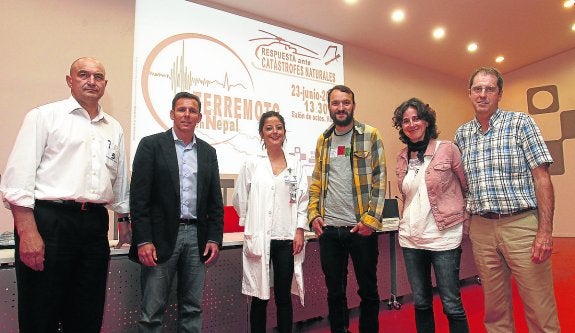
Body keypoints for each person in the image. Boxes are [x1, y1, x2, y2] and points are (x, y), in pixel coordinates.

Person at [0, 57, 131, 333]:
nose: (91, 81)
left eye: (98, 76)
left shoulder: (114, 128)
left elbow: (119, 183)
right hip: (50, 223)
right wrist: (28, 233)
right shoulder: (44, 117)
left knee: (87, 314)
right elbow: (17, 182)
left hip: (94, 226)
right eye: (84, 74)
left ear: (105, 84)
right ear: (70, 81)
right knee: (41, 314)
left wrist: (124, 221)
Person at [454, 67, 560, 332]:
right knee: (495, 310)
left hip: (521, 225)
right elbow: (462, 186)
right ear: (469, 93)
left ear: (499, 93)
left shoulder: (521, 123)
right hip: (482, 229)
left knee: (539, 307)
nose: (482, 94)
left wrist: (545, 231)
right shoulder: (462, 135)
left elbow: (542, 178)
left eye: (489, 89)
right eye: (477, 89)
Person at [129, 91, 224, 333]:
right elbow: (139, 200)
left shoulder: (207, 152)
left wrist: (214, 237)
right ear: (172, 114)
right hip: (159, 239)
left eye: (192, 111)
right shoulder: (151, 145)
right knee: (152, 312)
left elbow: (215, 201)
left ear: (199, 117)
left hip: (197, 237)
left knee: (193, 309)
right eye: (181, 110)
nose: (186, 115)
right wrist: (143, 240)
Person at [308, 84, 386, 333]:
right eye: (335, 103)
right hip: (329, 230)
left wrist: (371, 220)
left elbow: (380, 179)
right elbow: (317, 180)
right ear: (329, 106)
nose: (340, 108)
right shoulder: (324, 139)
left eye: (346, 103)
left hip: (360, 228)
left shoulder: (370, 134)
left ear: (353, 105)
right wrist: (313, 215)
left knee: (368, 291)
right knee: (335, 292)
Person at [392, 97, 470, 333]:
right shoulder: (402, 156)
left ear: (426, 121)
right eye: (405, 121)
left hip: (444, 236)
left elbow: (467, 187)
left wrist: (466, 222)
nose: (411, 124)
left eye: (416, 118)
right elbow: (408, 196)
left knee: (451, 304)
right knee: (422, 303)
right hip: (411, 239)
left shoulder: (447, 149)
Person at [232, 111, 309, 333]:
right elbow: (240, 198)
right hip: (260, 237)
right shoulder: (251, 163)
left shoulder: (296, 164)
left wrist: (299, 230)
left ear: (284, 132)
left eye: (279, 127)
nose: (274, 132)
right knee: (259, 296)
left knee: (283, 296)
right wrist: (248, 225)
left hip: (286, 238)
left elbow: (302, 199)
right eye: (269, 128)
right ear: (261, 133)